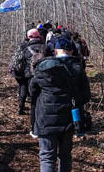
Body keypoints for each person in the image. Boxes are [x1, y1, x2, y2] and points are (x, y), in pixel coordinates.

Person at [29, 38, 91, 172]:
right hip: (69, 118)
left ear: (55, 51)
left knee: (46, 156)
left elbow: (32, 91)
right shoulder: (77, 68)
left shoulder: (42, 67)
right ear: (71, 51)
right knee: (65, 156)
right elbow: (86, 96)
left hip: (45, 118)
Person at [11, 28, 42, 115]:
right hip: (42, 74)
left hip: (28, 73)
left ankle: (22, 107)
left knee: (25, 88)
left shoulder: (24, 46)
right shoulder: (44, 46)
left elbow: (20, 60)